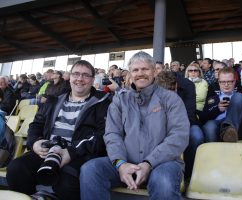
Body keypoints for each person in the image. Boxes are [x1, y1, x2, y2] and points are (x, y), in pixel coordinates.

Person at [80, 51, 189, 200]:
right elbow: (112, 134)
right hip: (126, 162)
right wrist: (121, 164)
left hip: (163, 163)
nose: (140, 73)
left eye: (145, 69)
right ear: (130, 74)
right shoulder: (120, 100)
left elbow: (179, 136)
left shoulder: (171, 99)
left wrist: (148, 163)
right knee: (91, 169)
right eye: (135, 70)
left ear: (154, 72)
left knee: (163, 181)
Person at [6, 60, 111, 200]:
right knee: (16, 169)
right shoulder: (54, 100)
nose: (80, 79)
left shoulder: (103, 103)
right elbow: (36, 124)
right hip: (47, 151)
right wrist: (35, 143)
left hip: (78, 154)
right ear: (70, 77)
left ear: (92, 80)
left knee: (66, 181)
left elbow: (102, 135)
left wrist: (71, 152)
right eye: (76, 74)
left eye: (86, 75)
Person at [199, 67, 242, 142]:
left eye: (229, 81)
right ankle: (213, 151)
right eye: (223, 82)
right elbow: (203, 118)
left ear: (234, 82)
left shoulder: (241, 97)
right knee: (209, 125)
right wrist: (217, 109)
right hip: (217, 127)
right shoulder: (212, 99)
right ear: (218, 82)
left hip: (238, 127)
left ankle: (229, 130)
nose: (226, 85)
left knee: (238, 97)